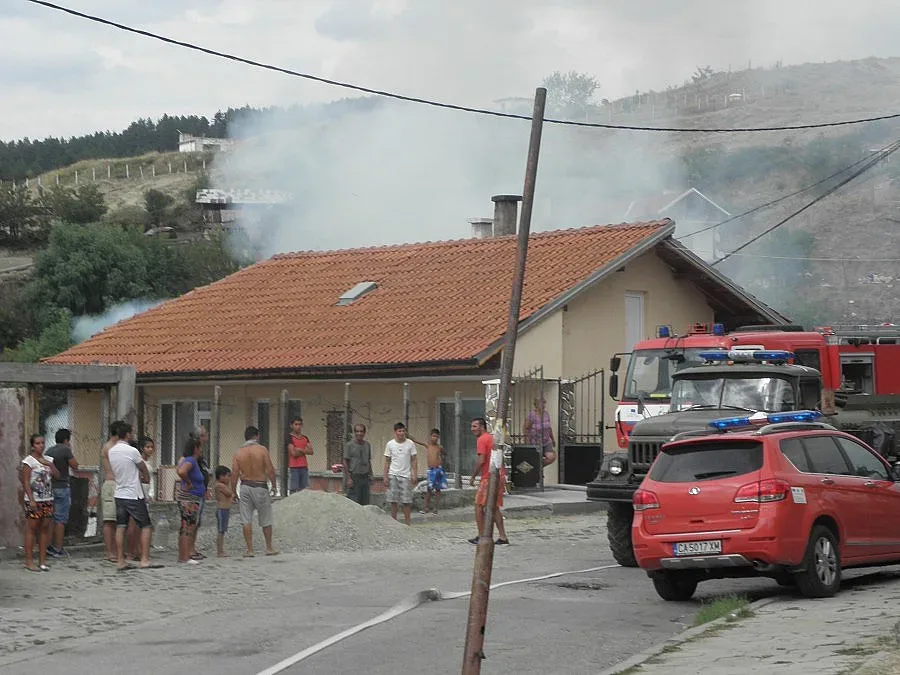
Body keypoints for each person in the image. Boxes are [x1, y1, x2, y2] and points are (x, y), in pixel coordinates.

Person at [108, 422, 153, 570]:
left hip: (119, 492)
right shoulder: (132, 451)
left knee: (121, 526)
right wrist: (146, 478)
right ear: (127, 434)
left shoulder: (112, 451)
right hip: (133, 493)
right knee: (146, 525)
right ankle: (144, 559)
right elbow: (143, 467)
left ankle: (121, 560)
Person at [231, 426, 279, 557]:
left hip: (245, 486)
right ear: (256, 436)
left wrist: (233, 491)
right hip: (260, 486)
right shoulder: (262, 450)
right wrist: (274, 486)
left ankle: (250, 550)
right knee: (266, 518)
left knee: (246, 519)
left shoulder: (239, 453)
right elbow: (270, 469)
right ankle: (269, 548)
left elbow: (234, 473)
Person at [21, 434, 59, 571]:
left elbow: (57, 475)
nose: (41, 445)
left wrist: (49, 464)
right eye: (37, 443)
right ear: (32, 445)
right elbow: (25, 481)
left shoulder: (49, 459)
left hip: (47, 499)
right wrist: (31, 499)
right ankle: (29, 561)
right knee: (32, 529)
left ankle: (42, 561)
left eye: (42, 443)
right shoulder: (28, 461)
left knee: (44, 529)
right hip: (34, 500)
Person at [469, 417, 509, 546]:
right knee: (494, 507)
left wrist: (473, 476)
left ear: (482, 427)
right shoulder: (491, 438)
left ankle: (482, 535)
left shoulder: (482, 439)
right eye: (472, 426)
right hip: (499, 475)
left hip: (489, 477)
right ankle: (502, 536)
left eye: (475, 426)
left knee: (478, 505)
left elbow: (481, 460)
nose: (472, 429)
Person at [44, 427, 78, 558]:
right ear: (66, 440)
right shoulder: (65, 449)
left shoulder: (49, 450)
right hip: (62, 487)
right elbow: (75, 465)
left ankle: (48, 546)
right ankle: (58, 548)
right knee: (61, 519)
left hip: (50, 487)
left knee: (51, 518)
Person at [176, 437, 206, 564]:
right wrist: (189, 482)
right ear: (195, 449)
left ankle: (184, 555)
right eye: (200, 448)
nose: (201, 451)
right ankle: (185, 556)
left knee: (186, 526)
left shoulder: (189, 460)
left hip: (191, 498)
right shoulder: (191, 461)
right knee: (188, 526)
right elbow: (182, 472)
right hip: (190, 499)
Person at [383, 422, 417, 526]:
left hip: (406, 476)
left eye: (403, 431)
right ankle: (394, 524)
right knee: (393, 501)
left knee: (406, 502)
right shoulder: (390, 444)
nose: (401, 433)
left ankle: (407, 525)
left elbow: (414, 460)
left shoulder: (410, 443)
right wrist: (385, 476)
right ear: (395, 432)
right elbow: (387, 461)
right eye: (399, 431)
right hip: (393, 475)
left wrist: (414, 474)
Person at [127, 437, 155, 562]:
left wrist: (151, 494)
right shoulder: (138, 462)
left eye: (151, 447)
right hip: (138, 494)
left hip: (146, 494)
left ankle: (138, 550)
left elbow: (151, 480)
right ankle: (131, 551)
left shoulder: (149, 463)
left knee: (141, 525)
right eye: (147, 447)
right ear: (142, 449)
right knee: (134, 525)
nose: (150, 449)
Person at [412, 429, 446, 515]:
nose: (435, 438)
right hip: (431, 470)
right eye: (433, 436)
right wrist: (408, 435)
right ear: (430, 436)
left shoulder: (439, 447)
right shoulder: (428, 445)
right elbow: (416, 440)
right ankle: (426, 508)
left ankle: (436, 509)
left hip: (439, 469)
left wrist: (442, 459)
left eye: (437, 437)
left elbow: (445, 453)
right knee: (429, 489)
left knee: (438, 489)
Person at [189, 426, 211, 560]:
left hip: (201, 491)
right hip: (194, 493)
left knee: (197, 522)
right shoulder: (192, 455)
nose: (207, 437)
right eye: (205, 435)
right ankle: (190, 549)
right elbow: (183, 469)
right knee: (193, 521)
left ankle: (193, 547)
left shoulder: (200, 454)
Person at [100, 423, 120, 563]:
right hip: (111, 484)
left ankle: (116, 550)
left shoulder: (117, 447)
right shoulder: (110, 447)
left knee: (117, 521)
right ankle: (110, 552)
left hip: (119, 485)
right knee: (109, 520)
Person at [343, 424, 372, 505]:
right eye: (357, 431)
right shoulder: (349, 445)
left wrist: (371, 475)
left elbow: (368, 460)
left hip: (365, 477)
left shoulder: (367, 445)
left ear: (364, 433)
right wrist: (348, 478)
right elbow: (345, 462)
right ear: (354, 433)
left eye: (361, 431)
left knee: (365, 502)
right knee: (354, 502)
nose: (359, 433)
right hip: (354, 477)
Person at [524, 397, 557, 467]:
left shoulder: (546, 414)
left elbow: (549, 428)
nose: (544, 406)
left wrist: (553, 439)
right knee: (532, 459)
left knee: (551, 457)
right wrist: (527, 441)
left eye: (544, 404)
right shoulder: (532, 415)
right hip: (536, 441)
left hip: (547, 441)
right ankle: (532, 471)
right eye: (542, 403)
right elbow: (526, 428)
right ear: (537, 404)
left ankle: (536, 468)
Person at [286, 417, 313, 494]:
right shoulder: (289, 437)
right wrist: (304, 450)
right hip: (294, 467)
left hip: (304, 466)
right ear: (291, 426)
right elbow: (293, 453)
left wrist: (300, 450)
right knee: (294, 490)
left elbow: (311, 451)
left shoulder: (305, 438)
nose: (298, 426)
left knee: (304, 490)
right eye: (296, 424)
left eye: (300, 424)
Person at [214, 465, 235, 558]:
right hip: (221, 509)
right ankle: (219, 551)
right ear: (221, 476)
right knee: (221, 531)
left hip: (225, 509)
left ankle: (221, 550)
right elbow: (230, 493)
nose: (229, 479)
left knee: (223, 530)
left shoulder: (222, 485)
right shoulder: (219, 485)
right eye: (228, 476)